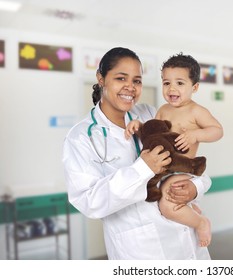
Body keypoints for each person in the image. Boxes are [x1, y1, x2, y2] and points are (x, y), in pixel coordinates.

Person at [62, 47, 212, 260]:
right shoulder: (81, 137)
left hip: (191, 243)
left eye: (137, 81)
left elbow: (191, 164)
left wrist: (194, 188)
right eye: (121, 78)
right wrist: (143, 169)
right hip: (143, 252)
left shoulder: (152, 114)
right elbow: (89, 202)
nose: (130, 87)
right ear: (101, 78)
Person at [125, 53, 223, 247]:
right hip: (162, 170)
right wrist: (138, 126)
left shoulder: (196, 111)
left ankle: (201, 222)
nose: (172, 88)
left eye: (179, 83)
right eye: (166, 83)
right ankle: (193, 210)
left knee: (168, 205)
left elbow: (217, 131)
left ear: (194, 87)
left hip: (181, 169)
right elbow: (155, 132)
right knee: (161, 200)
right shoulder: (163, 109)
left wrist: (196, 135)